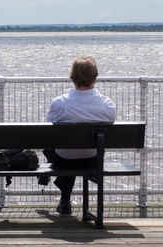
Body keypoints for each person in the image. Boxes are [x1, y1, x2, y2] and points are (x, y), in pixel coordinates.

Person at [41, 56, 116, 215]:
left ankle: (64, 199)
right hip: (93, 160)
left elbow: (48, 131)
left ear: (72, 77)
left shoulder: (60, 103)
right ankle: (65, 200)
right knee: (84, 144)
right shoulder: (107, 105)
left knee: (55, 144)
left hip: (64, 160)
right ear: (95, 78)